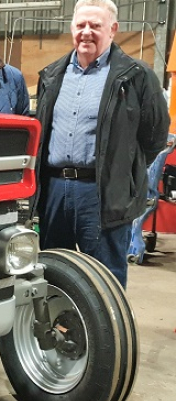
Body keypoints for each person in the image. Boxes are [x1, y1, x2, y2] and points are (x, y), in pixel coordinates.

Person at [34, 0, 170, 288]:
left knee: (105, 280)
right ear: (72, 28)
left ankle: (105, 333)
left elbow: (156, 135)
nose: (86, 32)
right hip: (55, 190)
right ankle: (60, 331)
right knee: (54, 272)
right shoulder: (52, 75)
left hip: (103, 192)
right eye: (80, 25)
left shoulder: (135, 76)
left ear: (113, 30)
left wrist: (123, 168)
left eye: (95, 26)